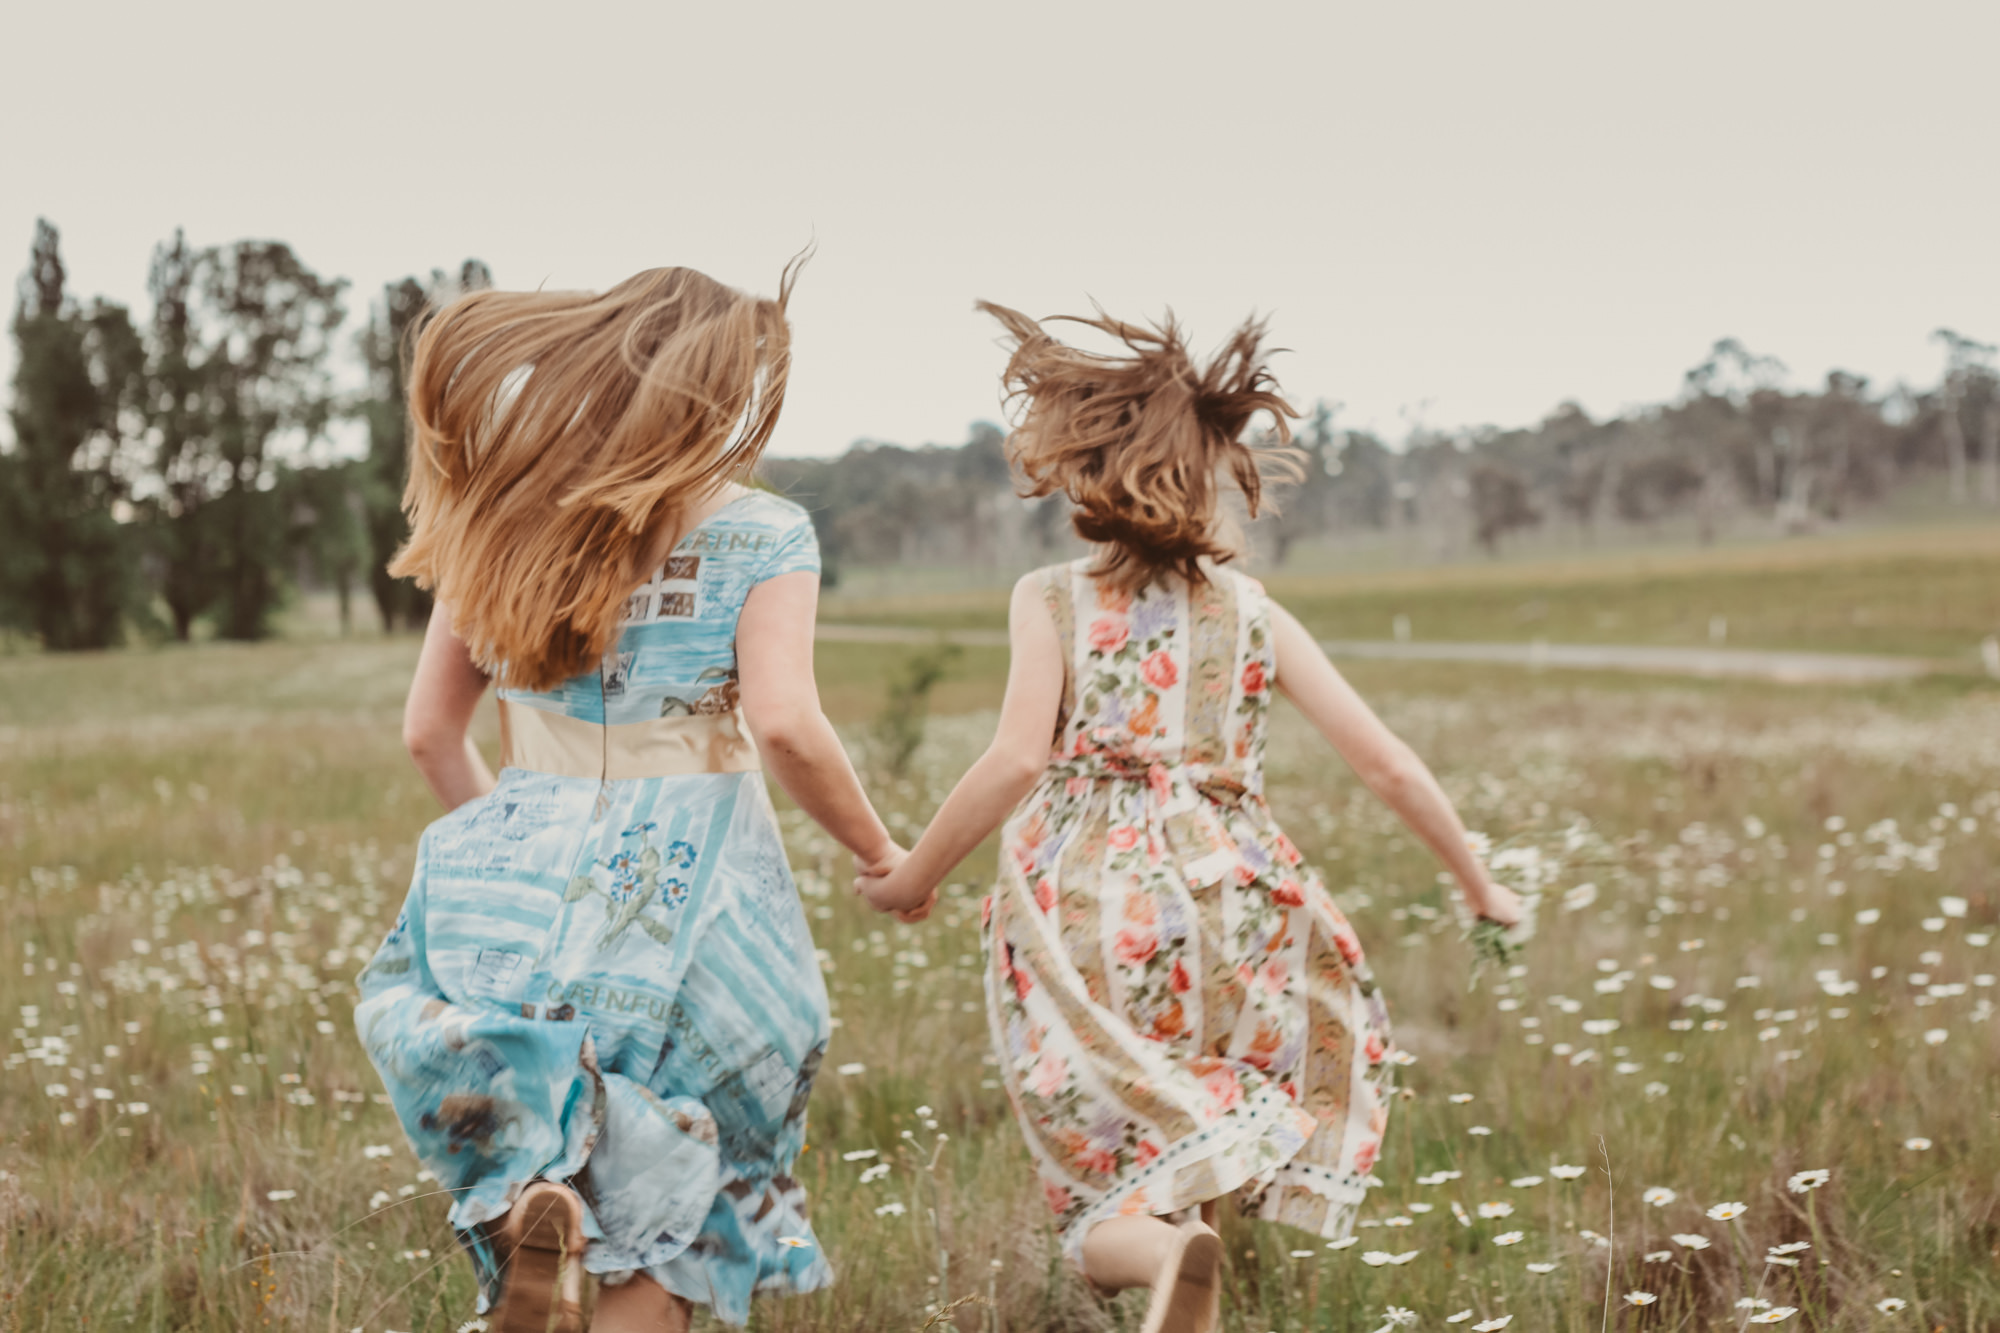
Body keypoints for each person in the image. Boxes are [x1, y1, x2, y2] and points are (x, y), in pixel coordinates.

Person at [856, 302, 1523, 1333]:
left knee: (1101, 1199)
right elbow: (1384, 763)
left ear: (1087, 466)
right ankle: (1184, 1260)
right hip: (1231, 903)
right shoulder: (1253, 612)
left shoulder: (1049, 599)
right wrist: (1479, 884)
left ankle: (1154, 1255)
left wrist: (913, 873)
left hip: (1082, 904)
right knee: (1191, 1145)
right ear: (1210, 472)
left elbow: (1013, 759)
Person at [355, 263, 921, 1333]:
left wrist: (510, 856)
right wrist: (880, 854)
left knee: (573, 1126)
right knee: (688, 1227)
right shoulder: (760, 532)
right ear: (711, 387)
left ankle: (548, 1206)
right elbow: (789, 724)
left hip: (517, 869)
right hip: (695, 888)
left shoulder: (504, 519)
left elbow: (429, 732)